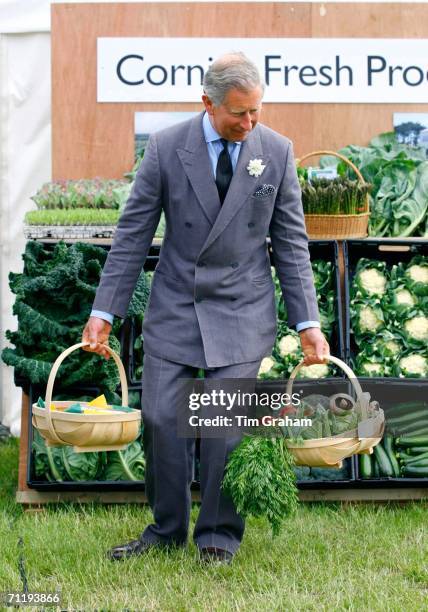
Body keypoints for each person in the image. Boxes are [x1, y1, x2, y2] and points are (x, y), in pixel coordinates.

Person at [82, 52, 330, 565]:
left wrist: (308, 323)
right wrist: (104, 311)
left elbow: (290, 243)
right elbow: (133, 234)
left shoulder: (276, 151)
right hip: (176, 303)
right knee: (158, 417)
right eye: (239, 113)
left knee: (223, 426)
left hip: (242, 307)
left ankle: (217, 536)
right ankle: (166, 529)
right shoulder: (168, 147)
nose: (250, 122)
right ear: (208, 103)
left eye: (256, 111)